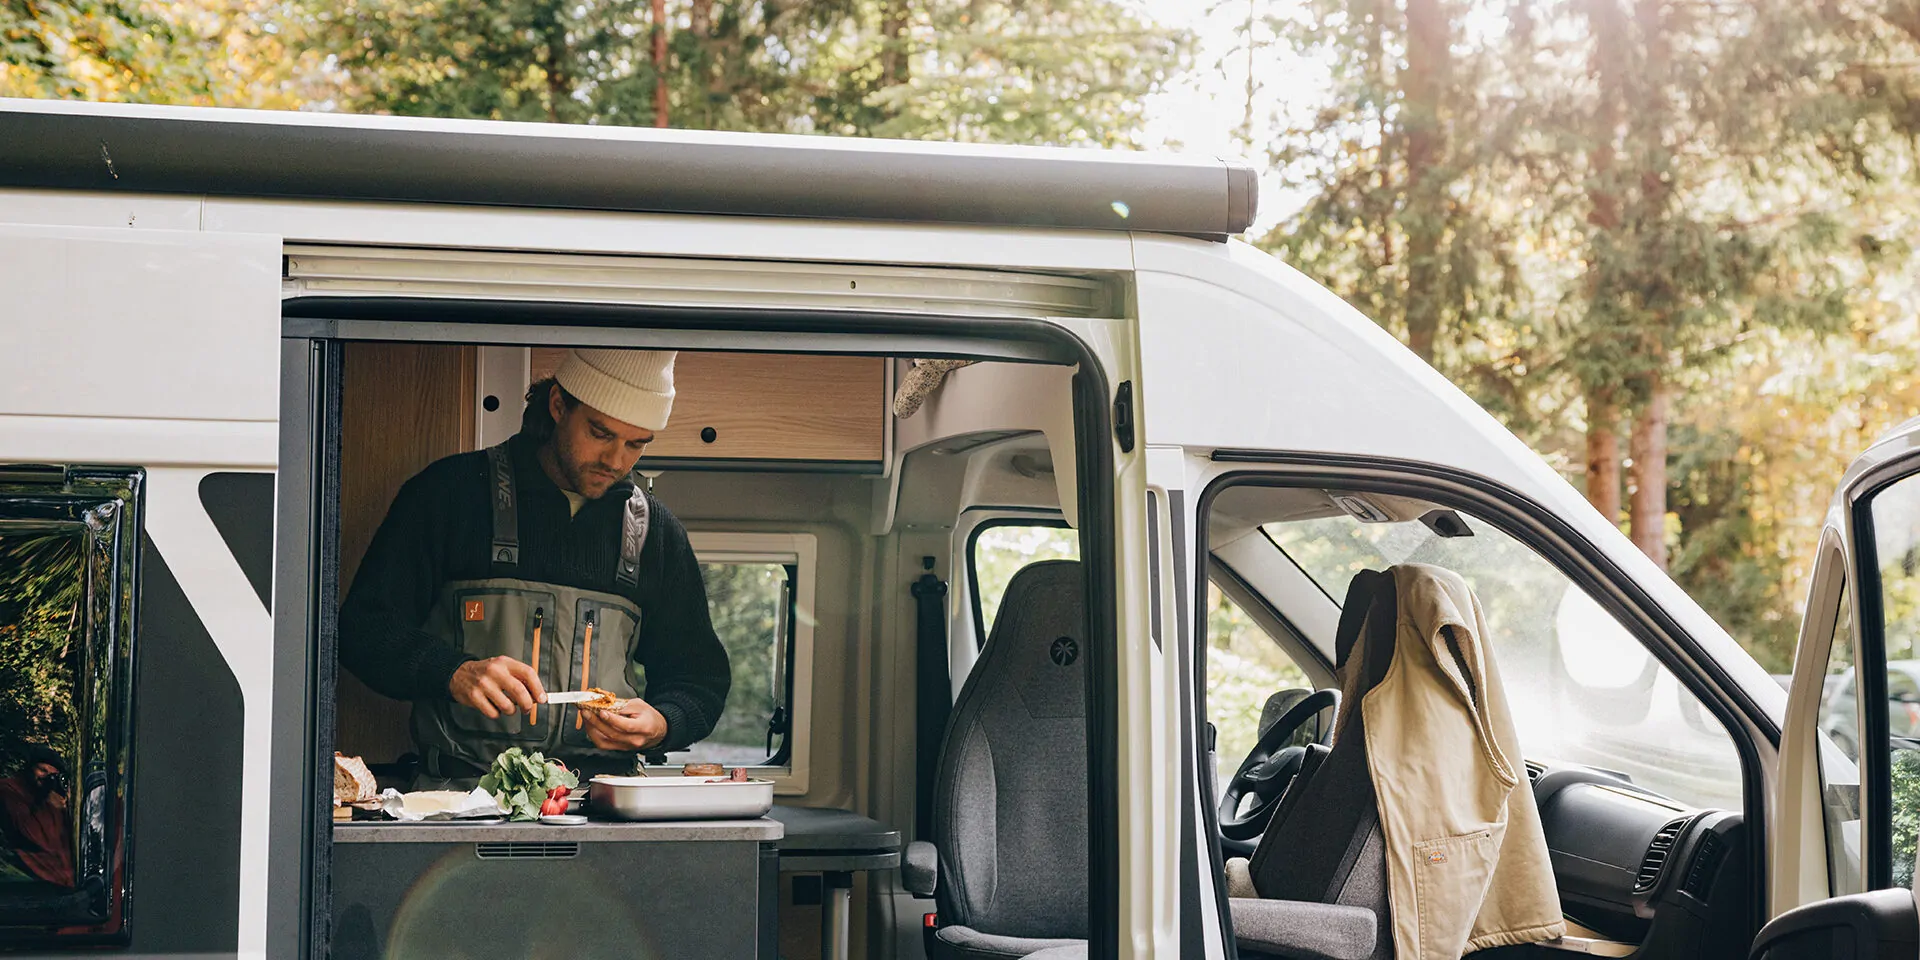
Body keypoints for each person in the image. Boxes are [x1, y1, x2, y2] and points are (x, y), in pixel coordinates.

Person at [339, 349, 731, 781]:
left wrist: (664, 723)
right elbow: (364, 630)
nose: (617, 462)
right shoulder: (449, 494)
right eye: (601, 434)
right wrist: (452, 672)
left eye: (636, 444)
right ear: (559, 405)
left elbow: (700, 678)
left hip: (602, 805)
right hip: (461, 799)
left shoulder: (655, 532)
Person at [0, 744, 74, 886]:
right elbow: (34, 834)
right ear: (30, 767)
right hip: (26, 884)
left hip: (60, 884)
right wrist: (52, 806)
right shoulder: (9, 790)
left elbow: (62, 844)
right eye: (42, 770)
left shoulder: (48, 797)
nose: (46, 778)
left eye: (52, 775)